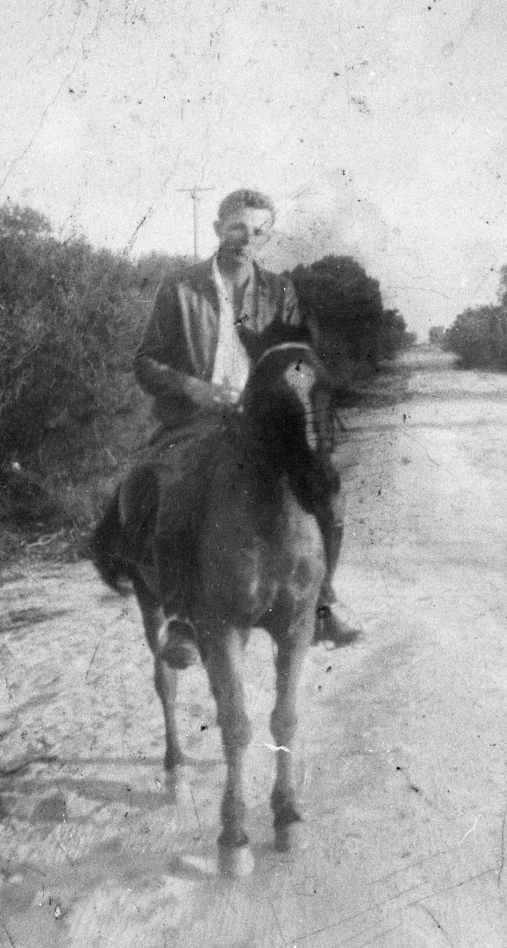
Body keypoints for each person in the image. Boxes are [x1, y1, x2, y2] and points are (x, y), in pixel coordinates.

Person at [133, 187, 362, 669]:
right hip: (194, 422)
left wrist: (302, 389)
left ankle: (320, 603)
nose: (246, 238)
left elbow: (297, 358)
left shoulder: (279, 292)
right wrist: (194, 388)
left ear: (267, 237)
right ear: (219, 229)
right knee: (171, 490)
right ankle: (181, 618)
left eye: (258, 231)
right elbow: (145, 362)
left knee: (328, 493)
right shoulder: (179, 288)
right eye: (237, 227)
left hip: (265, 425)